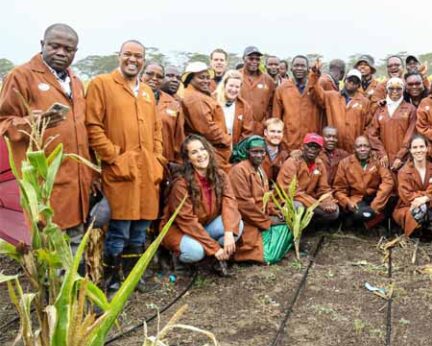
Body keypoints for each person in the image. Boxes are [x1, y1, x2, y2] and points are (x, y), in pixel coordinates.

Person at [86, 40, 165, 291]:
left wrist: (158, 159)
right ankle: (112, 279)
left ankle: (134, 278)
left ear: (143, 59)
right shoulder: (102, 84)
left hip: (147, 172)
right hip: (120, 172)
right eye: (128, 55)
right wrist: (113, 156)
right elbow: (93, 126)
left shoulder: (147, 92)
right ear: (119, 56)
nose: (133, 60)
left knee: (140, 230)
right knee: (119, 230)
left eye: (138, 56)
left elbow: (156, 130)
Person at [0, 23, 93, 235]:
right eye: (54, 46)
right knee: (49, 242)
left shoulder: (76, 82)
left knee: (75, 242)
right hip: (44, 180)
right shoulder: (21, 76)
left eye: (68, 49)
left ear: (75, 52)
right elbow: (4, 122)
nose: (61, 53)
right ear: (43, 44)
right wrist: (32, 122)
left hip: (76, 180)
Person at [161, 135, 243, 276]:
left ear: (209, 151)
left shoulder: (220, 175)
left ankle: (214, 260)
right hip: (181, 230)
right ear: (188, 159)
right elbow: (187, 222)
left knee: (237, 225)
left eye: (202, 149)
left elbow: (229, 202)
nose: (200, 155)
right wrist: (214, 247)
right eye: (194, 152)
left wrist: (229, 232)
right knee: (195, 251)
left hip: (204, 225)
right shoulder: (181, 184)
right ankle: (179, 259)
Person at [229, 135, 284, 263]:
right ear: (247, 152)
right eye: (255, 152)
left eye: (262, 152)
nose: (259, 155)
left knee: (287, 221)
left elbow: (263, 198)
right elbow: (243, 205)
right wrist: (267, 221)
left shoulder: (259, 169)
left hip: (259, 215)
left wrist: (274, 211)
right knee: (268, 254)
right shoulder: (239, 170)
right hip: (247, 220)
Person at [276, 133, 339, 225]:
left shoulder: (319, 164)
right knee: (298, 207)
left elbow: (324, 188)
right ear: (302, 146)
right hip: (290, 200)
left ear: (320, 150)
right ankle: (291, 230)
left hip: (308, 201)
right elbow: (293, 192)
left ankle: (309, 227)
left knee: (334, 212)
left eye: (316, 147)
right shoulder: (292, 162)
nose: (312, 149)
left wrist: (328, 201)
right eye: (309, 146)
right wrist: (317, 204)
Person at [393, 134, 432, 237]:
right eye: (415, 147)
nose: (418, 150)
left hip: (431, 207)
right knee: (421, 208)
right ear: (410, 150)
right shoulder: (403, 172)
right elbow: (407, 197)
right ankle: (415, 228)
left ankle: (425, 228)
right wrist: (430, 193)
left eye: (421, 147)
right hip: (409, 208)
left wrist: (426, 198)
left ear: (427, 148)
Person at [333, 136, 394, 229]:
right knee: (359, 214)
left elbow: (388, 182)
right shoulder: (345, 163)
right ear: (354, 149)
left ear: (370, 148)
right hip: (358, 199)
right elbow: (338, 189)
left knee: (393, 201)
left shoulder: (377, 160)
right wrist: (348, 202)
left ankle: (368, 222)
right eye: (359, 146)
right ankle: (370, 222)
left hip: (375, 197)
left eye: (366, 146)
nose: (362, 149)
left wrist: (375, 205)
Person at [308, 61, 371, 152]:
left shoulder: (365, 102)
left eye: (355, 81)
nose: (352, 83)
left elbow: (368, 126)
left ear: (359, 85)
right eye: (350, 80)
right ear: (345, 80)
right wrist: (314, 74)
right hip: (333, 147)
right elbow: (315, 92)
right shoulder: (331, 96)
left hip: (353, 150)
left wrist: (362, 145)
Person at [180, 61, 232, 170]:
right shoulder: (195, 99)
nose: (206, 81)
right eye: (201, 77)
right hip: (210, 150)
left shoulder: (199, 95)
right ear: (190, 79)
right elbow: (207, 128)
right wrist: (227, 139)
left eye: (208, 77)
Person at [272, 55, 324, 150]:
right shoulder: (282, 89)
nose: (299, 68)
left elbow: (322, 101)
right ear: (291, 68)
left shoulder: (315, 87)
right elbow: (276, 119)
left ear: (308, 69)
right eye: (296, 65)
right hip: (288, 143)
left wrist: (315, 75)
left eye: (302, 66)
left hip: (311, 144)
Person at [366, 77, 417, 171]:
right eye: (391, 88)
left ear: (403, 90)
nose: (395, 91)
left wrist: (400, 156)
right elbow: (372, 134)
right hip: (383, 160)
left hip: (404, 159)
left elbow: (410, 135)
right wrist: (382, 154)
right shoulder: (381, 109)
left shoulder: (410, 109)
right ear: (386, 90)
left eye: (398, 89)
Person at [142, 62, 185, 164]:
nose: (154, 78)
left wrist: (179, 164)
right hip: (135, 162)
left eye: (159, 76)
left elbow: (179, 138)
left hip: (164, 162)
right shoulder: (130, 98)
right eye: (149, 74)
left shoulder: (174, 104)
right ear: (141, 75)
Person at [239, 46, 274, 136]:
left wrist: (266, 121)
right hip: (239, 126)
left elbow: (272, 105)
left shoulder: (268, 80)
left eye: (257, 59)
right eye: (251, 59)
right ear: (243, 59)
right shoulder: (236, 76)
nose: (254, 62)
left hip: (260, 128)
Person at [215, 70, 254, 147]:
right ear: (224, 85)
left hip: (234, 150)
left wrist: (237, 151)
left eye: (237, 87)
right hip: (214, 150)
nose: (234, 90)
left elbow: (247, 132)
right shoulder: (212, 102)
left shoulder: (244, 106)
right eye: (231, 85)